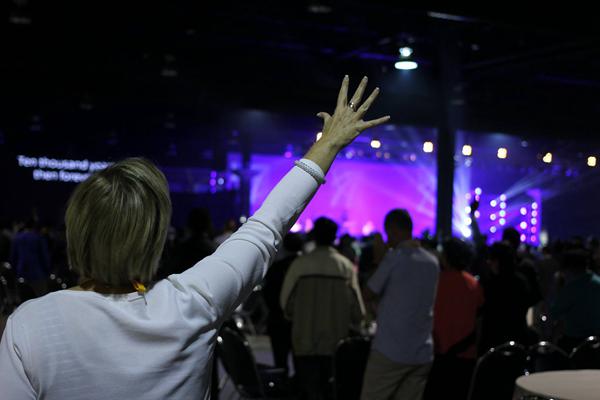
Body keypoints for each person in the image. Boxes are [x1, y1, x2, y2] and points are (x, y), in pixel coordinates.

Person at [0, 75, 389, 399]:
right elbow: (268, 224)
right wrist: (329, 142)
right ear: (155, 239)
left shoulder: (31, 324)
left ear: (76, 233)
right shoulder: (193, 302)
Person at [280, 217, 365, 400]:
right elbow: (358, 312)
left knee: (310, 391)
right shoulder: (346, 267)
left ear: (314, 236)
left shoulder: (300, 265)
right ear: (335, 237)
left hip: (305, 341)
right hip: (336, 343)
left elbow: (285, 304)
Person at [361, 209, 439, 400]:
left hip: (391, 350)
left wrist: (378, 259)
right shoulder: (432, 261)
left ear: (394, 230)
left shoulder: (394, 258)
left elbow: (367, 293)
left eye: (388, 234)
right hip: (422, 352)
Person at [424, 238, 484, 400]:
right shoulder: (474, 284)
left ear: (447, 257)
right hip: (465, 355)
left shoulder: (435, 281)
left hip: (438, 353)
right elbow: (478, 321)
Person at [479, 241, 536, 353]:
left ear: (499, 261)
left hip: (494, 340)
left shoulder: (490, 283)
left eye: (492, 259)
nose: (489, 262)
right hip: (518, 338)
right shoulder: (520, 281)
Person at [262, 233, 304, 373]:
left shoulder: (276, 268)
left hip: (277, 320)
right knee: (301, 363)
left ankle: (282, 390)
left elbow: (267, 294)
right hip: (300, 321)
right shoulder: (305, 269)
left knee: (280, 364)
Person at [551, 249, 600, 352]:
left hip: (575, 342)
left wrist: (556, 288)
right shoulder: (597, 281)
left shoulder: (571, 288)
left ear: (569, 269)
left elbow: (553, 312)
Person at [10, 219, 50, 297]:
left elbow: (13, 257)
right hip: (37, 274)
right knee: (41, 300)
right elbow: (44, 257)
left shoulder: (16, 238)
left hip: (21, 273)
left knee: (24, 301)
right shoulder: (38, 238)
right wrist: (47, 271)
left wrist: (15, 272)